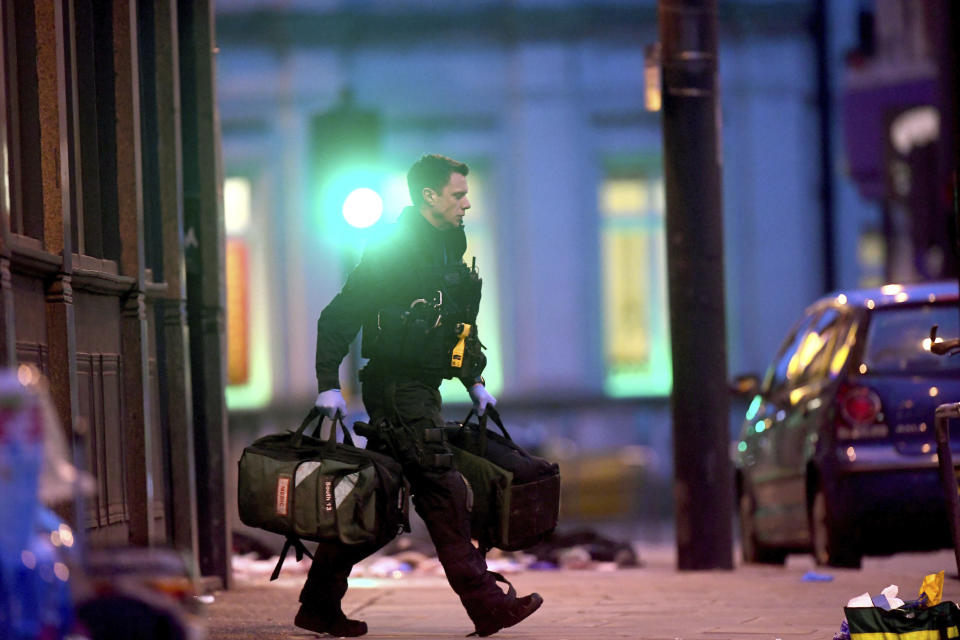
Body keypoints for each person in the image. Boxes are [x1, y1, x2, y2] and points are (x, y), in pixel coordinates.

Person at [296, 154, 543, 637]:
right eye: (457, 195)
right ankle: (486, 604)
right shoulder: (391, 247)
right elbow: (339, 316)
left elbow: (458, 324)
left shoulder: (453, 241)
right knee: (442, 490)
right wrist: (328, 383)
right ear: (429, 196)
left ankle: (319, 605)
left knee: (379, 506)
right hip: (396, 388)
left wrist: (474, 380)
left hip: (422, 389)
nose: (467, 203)